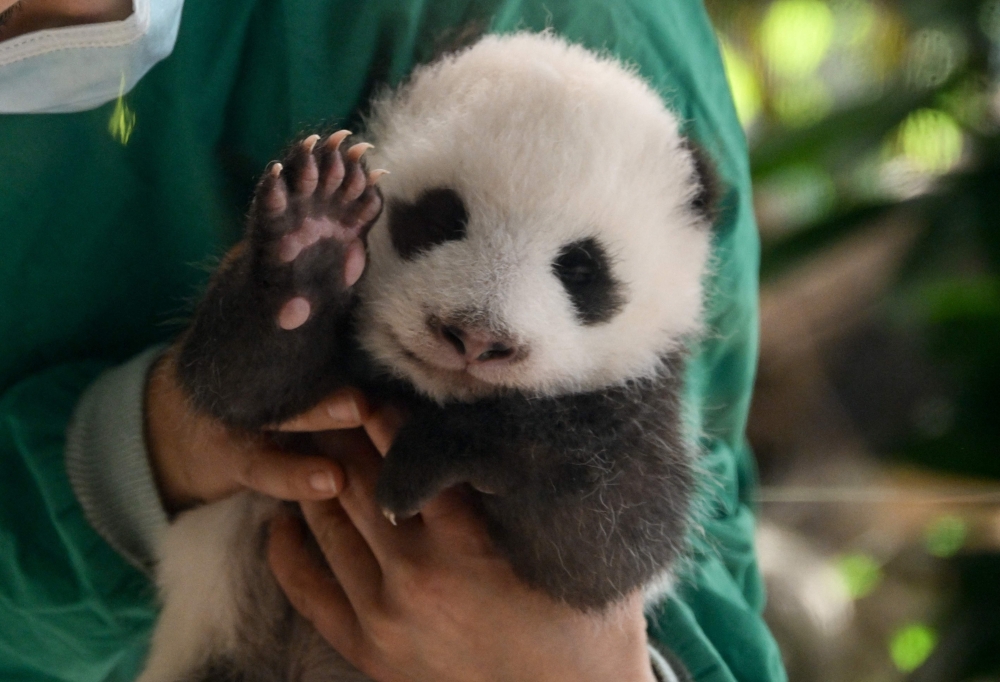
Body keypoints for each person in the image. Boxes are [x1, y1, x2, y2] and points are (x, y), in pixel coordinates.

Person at [0, 1, 787, 681]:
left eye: (578, 269)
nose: (485, 321)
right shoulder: (365, 220)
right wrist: (176, 426)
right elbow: (225, 398)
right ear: (397, 121)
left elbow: (642, 571)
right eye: (441, 221)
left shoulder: (598, 38)